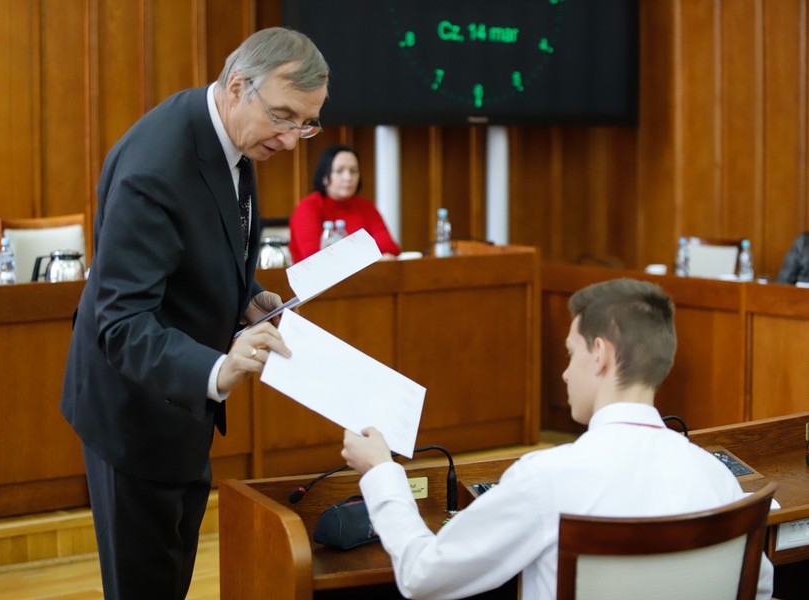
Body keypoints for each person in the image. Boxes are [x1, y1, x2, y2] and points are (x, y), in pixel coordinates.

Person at [60, 28, 328, 600]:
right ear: (236, 86)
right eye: (283, 118)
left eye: (305, 124)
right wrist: (216, 371)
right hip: (134, 411)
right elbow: (121, 321)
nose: (290, 141)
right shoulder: (155, 167)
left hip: (181, 411)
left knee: (173, 571)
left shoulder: (232, 133)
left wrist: (246, 296)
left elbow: (200, 247)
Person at [342, 278, 773, 600]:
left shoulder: (545, 479)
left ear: (600, 355)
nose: (566, 372)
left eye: (571, 353)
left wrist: (382, 473)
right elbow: (762, 585)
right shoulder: (719, 482)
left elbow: (423, 576)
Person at [289, 144, 400, 263]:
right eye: (339, 171)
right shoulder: (307, 207)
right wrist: (369, 255)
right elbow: (314, 257)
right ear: (324, 177)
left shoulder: (366, 206)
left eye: (354, 171)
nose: (348, 177)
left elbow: (389, 248)